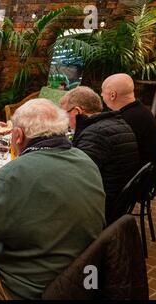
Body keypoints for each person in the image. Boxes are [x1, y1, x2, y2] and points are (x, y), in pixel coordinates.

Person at [0, 98, 106, 300]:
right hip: (76, 278)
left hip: (27, 288)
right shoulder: (86, 160)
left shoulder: (15, 172)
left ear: (18, 136)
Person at [60, 86, 140, 223]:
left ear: (77, 111)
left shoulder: (95, 135)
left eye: (65, 115)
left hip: (102, 207)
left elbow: (75, 179)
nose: (65, 121)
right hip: (118, 199)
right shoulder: (117, 122)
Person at [101, 73, 156, 166]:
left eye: (102, 91)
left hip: (134, 176)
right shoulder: (142, 111)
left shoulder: (124, 120)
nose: (101, 95)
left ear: (113, 95)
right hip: (146, 173)